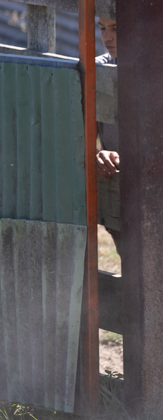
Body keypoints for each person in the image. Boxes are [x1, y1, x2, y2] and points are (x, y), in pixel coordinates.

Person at [95, 16, 121, 256]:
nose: (107, 36)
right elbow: (78, 134)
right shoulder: (97, 71)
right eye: (102, 28)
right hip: (118, 189)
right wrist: (97, 155)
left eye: (115, 27)